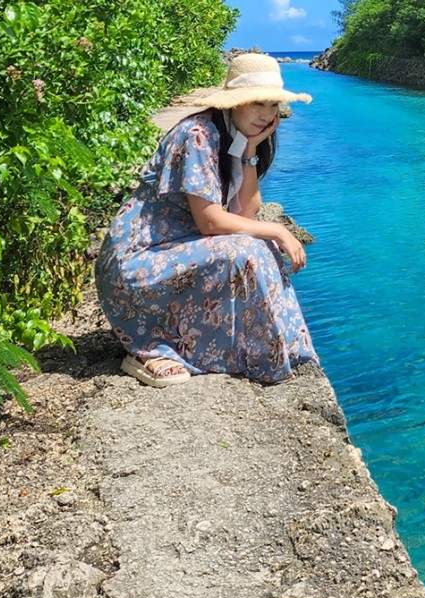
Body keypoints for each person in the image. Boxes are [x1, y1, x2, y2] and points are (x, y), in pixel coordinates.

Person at [96, 52, 318, 388]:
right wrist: (277, 230)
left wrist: (250, 150)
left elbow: (245, 214)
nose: (267, 114)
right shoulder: (198, 133)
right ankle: (151, 348)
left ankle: (273, 351)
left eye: (273, 106)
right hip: (137, 263)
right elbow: (211, 223)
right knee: (248, 249)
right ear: (234, 102)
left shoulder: (237, 138)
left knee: (259, 246)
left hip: (172, 252)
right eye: (258, 103)